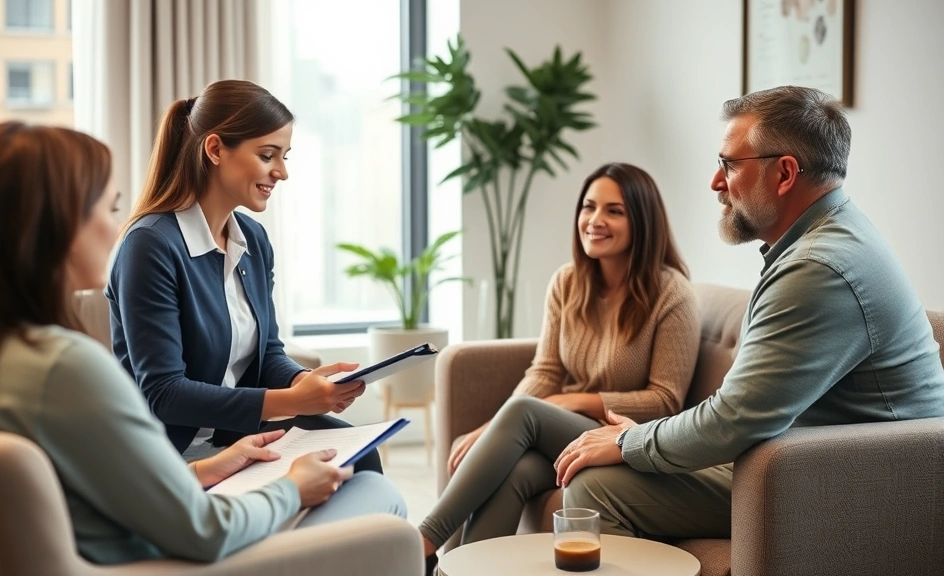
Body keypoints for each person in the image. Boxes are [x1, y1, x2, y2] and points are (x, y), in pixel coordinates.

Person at [0, 122, 405, 565]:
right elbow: (204, 531)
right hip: (149, 563)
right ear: (53, 226)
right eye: (107, 208)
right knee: (381, 508)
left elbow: (85, 486)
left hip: (106, 542)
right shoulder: (64, 369)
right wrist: (293, 490)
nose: (117, 227)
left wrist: (203, 472)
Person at [554, 85, 944, 541]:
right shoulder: (832, 236)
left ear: (784, 173)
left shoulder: (816, 268)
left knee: (595, 488)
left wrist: (628, 441)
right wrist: (643, 437)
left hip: (854, 482)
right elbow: (744, 409)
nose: (715, 183)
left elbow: (735, 418)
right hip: (815, 456)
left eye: (728, 164)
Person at [419, 162, 702, 572]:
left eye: (614, 211)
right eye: (588, 207)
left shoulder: (671, 294)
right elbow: (545, 372)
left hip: (628, 438)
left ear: (643, 220)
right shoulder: (568, 282)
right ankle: (457, 570)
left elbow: (665, 401)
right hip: (569, 433)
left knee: (522, 412)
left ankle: (425, 540)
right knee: (518, 470)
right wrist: (488, 430)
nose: (595, 220)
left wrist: (576, 401)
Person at [105, 79, 379, 472]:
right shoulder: (150, 246)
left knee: (359, 453)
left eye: (285, 156)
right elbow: (164, 394)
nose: (281, 172)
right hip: (168, 457)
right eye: (268, 155)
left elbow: (266, 353)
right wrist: (292, 401)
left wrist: (302, 381)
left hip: (232, 437)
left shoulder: (252, 237)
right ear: (215, 149)